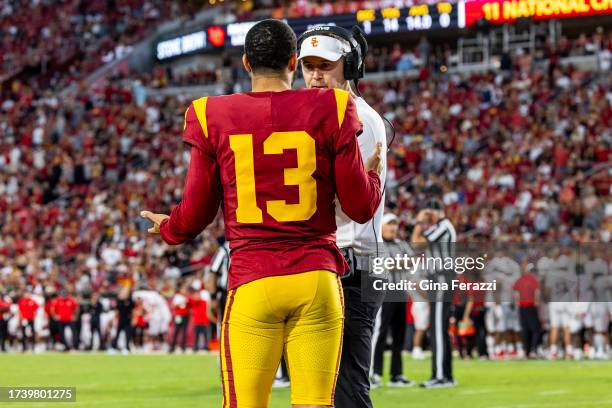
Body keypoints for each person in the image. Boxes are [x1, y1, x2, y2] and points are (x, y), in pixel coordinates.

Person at [141, 19, 382, 408]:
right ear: (293, 61)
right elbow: (359, 207)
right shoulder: (335, 105)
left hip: (255, 279)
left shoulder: (209, 113)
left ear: (246, 64)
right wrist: (371, 175)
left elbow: (197, 211)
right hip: (317, 279)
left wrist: (170, 227)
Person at [297, 24, 388, 408]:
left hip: (352, 265)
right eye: (308, 65)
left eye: (326, 65)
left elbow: (350, 203)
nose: (315, 75)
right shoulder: (324, 115)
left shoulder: (359, 119)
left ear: (350, 66)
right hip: (332, 263)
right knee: (321, 393)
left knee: (347, 390)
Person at [411, 198, 458, 388]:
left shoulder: (444, 226)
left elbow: (417, 243)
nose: (428, 219)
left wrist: (418, 222)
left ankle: (439, 376)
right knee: (440, 329)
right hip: (437, 279)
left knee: (437, 328)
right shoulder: (441, 227)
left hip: (441, 278)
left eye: (430, 215)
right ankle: (446, 375)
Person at [371, 213, 414, 387]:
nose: (393, 228)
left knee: (399, 336)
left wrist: (399, 263)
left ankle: (397, 374)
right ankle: (374, 373)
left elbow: (412, 262)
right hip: (383, 294)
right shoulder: (377, 244)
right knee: (379, 335)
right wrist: (401, 263)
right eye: (390, 224)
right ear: (381, 226)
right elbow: (384, 265)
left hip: (400, 293)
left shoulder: (401, 243)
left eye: (395, 224)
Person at [110, 287, 134, 354]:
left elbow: (133, 310)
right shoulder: (119, 300)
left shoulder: (130, 300)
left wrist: (132, 319)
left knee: (127, 335)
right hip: (121, 320)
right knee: (117, 334)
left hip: (128, 320)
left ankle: (127, 348)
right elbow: (116, 310)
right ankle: (114, 348)